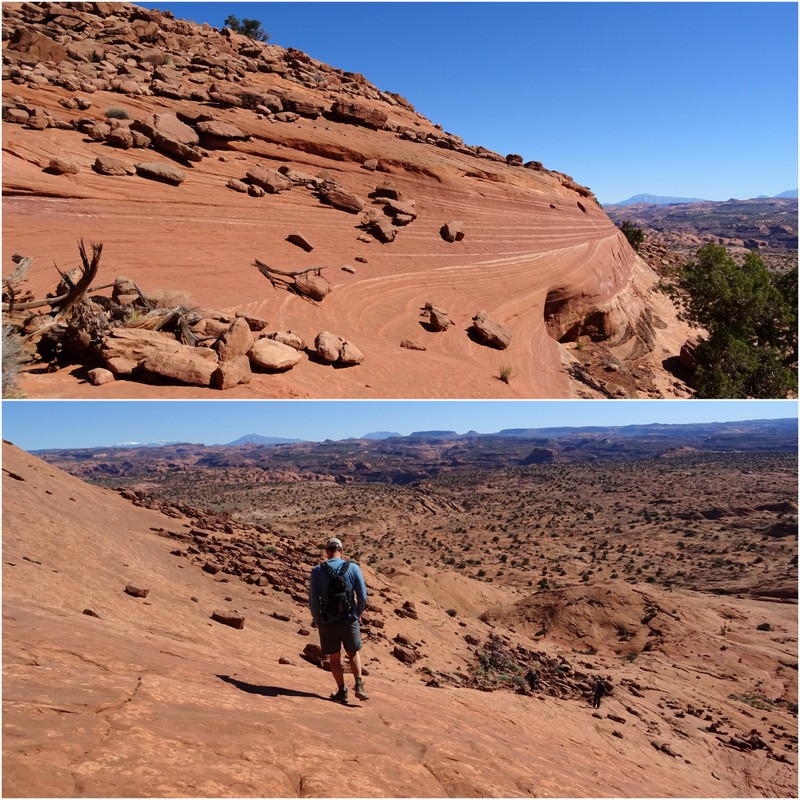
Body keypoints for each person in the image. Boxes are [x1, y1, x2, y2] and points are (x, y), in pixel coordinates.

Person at [308, 537, 369, 703]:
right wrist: (357, 613)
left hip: (328, 621)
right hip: (349, 619)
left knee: (334, 657)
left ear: (327, 552)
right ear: (341, 551)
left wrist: (318, 619)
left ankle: (342, 690)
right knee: (353, 652)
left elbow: (313, 600)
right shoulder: (354, 568)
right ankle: (359, 684)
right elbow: (363, 596)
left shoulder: (317, 571)